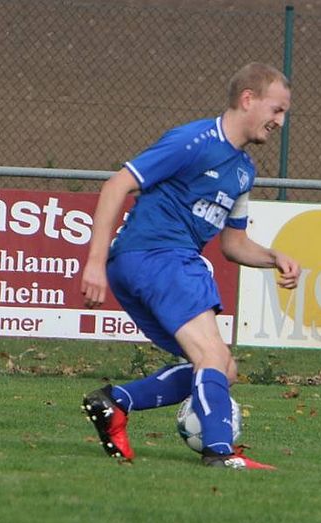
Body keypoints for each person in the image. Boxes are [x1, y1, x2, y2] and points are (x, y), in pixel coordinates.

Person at [79, 62, 300, 470]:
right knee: (212, 355)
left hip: (146, 263)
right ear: (248, 99)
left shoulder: (243, 171)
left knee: (222, 368)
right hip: (160, 255)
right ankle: (219, 452)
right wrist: (94, 262)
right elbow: (117, 185)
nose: (280, 122)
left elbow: (233, 244)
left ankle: (115, 402)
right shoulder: (193, 141)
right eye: (277, 110)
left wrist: (274, 258)